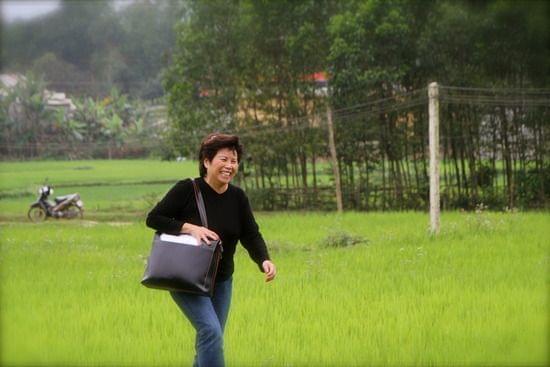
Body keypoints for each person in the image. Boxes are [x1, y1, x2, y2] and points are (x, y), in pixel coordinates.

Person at [146, 133, 276, 367]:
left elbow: (250, 233)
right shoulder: (187, 189)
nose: (230, 166)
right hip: (186, 277)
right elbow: (154, 218)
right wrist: (189, 228)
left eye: (234, 160)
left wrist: (264, 260)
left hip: (222, 280)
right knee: (211, 332)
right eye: (224, 159)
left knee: (210, 339)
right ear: (206, 161)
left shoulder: (237, 197)